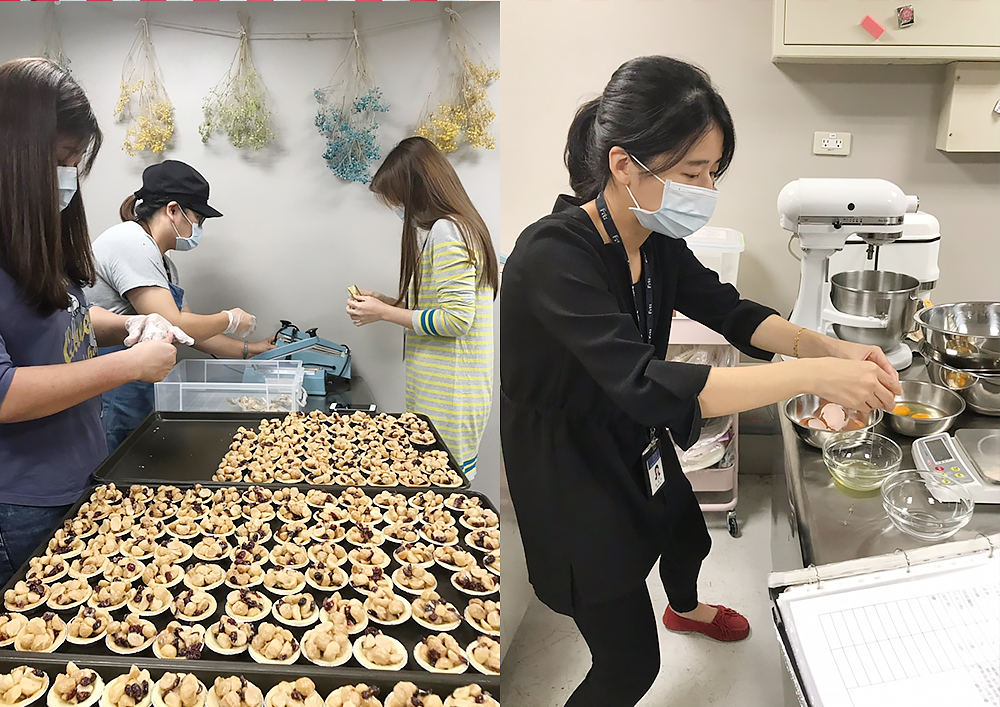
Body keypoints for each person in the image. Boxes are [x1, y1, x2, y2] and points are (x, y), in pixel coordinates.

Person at [500, 56, 903, 707]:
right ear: (624, 164)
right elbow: (644, 380)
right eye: (692, 173)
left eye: (713, 171)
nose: (707, 188)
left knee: (685, 530)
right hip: (571, 469)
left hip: (634, 436)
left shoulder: (654, 238)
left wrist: (825, 345)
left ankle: (683, 607)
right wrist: (813, 375)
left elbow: (732, 311)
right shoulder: (552, 256)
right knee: (630, 666)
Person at [0, 57, 186, 586]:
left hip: (80, 472)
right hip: (22, 500)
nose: (69, 178)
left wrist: (125, 327)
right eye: (62, 160)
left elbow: (66, 313)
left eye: (75, 163)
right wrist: (128, 366)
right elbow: (4, 394)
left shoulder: (33, 236)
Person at [85, 160, 273, 453]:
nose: (198, 228)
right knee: (109, 463)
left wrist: (249, 350)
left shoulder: (164, 264)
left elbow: (189, 331)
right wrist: (229, 319)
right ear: (173, 210)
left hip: (136, 382)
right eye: (198, 218)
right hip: (110, 385)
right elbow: (174, 322)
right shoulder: (130, 242)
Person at [346, 137, 499, 480]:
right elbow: (439, 307)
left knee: (443, 489)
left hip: (450, 396)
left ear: (415, 191)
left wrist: (383, 313)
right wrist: (385, 302)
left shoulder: (448, 231)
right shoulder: (460, 227)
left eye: (397, 200)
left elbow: (456, 320)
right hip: (448, 391)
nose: (397, 210)